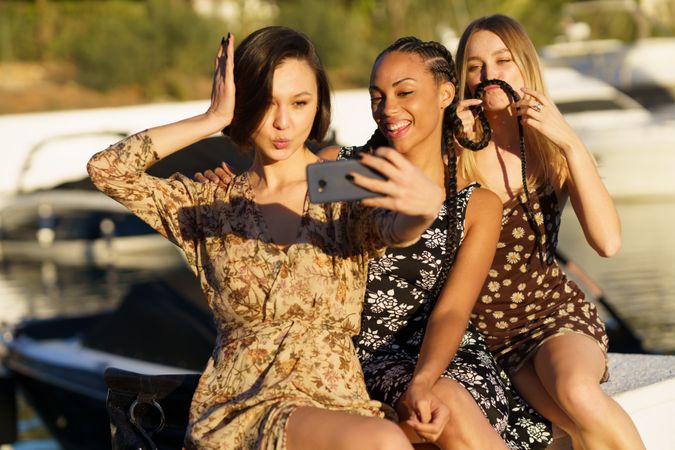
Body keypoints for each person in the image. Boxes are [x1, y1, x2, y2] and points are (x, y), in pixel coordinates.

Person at [87, 26, 447, 450]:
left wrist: (423, 211)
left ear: (318, 107)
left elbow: (391, 229)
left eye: (299, 103)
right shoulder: (207, 206)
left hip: (339, 405)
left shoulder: (343, 186)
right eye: (267, 103)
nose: (282, 122)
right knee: (382, 443)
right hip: (243, 410)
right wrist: (212, 118)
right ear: (246, 104)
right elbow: (107, 170)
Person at [197, 35, 553, 450]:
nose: (388, 109)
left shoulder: (478, 204)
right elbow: (274, 191)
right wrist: (227, 186)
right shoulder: (338, 171)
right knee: (430, 410)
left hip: (441, 357)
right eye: (378, 96)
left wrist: (422, 379)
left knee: (447, 399)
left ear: (445, 94)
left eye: (404, 93)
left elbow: (453, 310)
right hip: (346, 361)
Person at [453, 14, 646, 449]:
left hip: (551, 316)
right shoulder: (452, 150)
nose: (488, 75)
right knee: (574, 428)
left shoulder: (551, 148)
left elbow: (608, 242)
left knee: (576, 393)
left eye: (502, 61)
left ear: (524, 67)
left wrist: (570, 142)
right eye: (474, 65)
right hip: (484, 335)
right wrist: (448, 147)